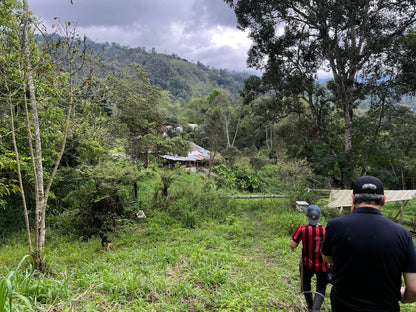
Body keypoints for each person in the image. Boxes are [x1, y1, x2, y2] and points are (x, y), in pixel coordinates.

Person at [321, 175, 416, 311]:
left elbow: (327, 258)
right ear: (383, 201)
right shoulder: (403, 234)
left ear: (353, 199)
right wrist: (404, 296)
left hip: (344, 305)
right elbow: (413, 289)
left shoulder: (335, 225)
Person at [291, 204, 328, 311]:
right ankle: (316, 309)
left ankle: (310, 306)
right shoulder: (326, 230)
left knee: (306, 283)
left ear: (307, 215)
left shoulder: (302, 229)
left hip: (307, 264)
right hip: (323, 265)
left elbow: (293, 245)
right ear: (319, 216)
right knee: (321, 286)